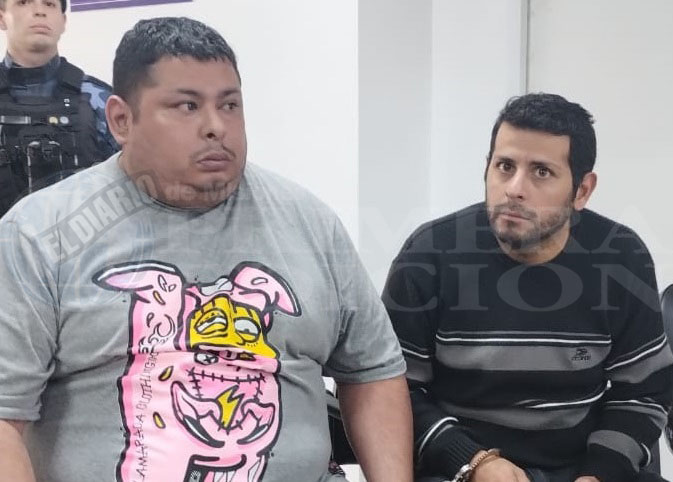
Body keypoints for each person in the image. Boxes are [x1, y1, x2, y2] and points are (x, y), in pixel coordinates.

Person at [0, 16, 413, 482]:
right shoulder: (40, 235)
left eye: (230, 105)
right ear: (120, 120)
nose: (216, 126)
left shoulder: (311, 225)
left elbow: (374, 371)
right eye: (187, 106)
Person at [383, 93, 673, 482]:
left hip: (581, 466)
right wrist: (473, 461)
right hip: (461, 468)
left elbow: (642, 393)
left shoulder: (621, 256)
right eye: (505, 166)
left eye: (541, 172)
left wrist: (600, 473)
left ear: (582, 190)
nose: (515, 189)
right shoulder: (429, 254)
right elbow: (392, 391)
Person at [0, 0, 118, 217]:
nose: (39, 11)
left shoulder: (98, 99)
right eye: (24, 2)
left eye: (49, 4)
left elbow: (131, 188)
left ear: (63, 21)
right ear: (2, 17)